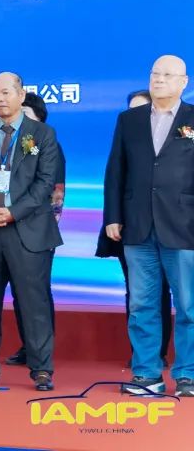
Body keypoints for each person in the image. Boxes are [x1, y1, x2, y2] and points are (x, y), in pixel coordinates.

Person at [0, 73, 62, 393]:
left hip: (27, 231)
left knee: (34, 303)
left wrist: (13, 212)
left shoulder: (42, 134)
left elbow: (45, 182)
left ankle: (41, 369)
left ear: (21, 94)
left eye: (5, 92)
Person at [104, 55, 193, 397]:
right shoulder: (129, 119)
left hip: (184, 226)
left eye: (167, 75)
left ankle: (187, 375)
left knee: (188, 305)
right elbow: (116, 171)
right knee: (142, 305)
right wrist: (113, 216)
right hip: (137, 225)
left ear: (183, 82)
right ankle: (146, 374)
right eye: (155, 73)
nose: (159, 79)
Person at [96, 89, 172, 370]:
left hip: (173, 227)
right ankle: (143, 355)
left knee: (166, 292)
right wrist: (113, 218)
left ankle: (162, 353)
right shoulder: (127, 134)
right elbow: (113, 176)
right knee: (139, 294)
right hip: (133, 227)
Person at [7, 92, 66, 366]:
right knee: (19, 292)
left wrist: (48, 226)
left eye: (27, 116)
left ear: (40, 119)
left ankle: (42, 350)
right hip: (10, 228)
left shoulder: (49, 144)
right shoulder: (7, 144)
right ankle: (28, 346)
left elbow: (56, 192)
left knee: (37, 292)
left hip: (39, 231)